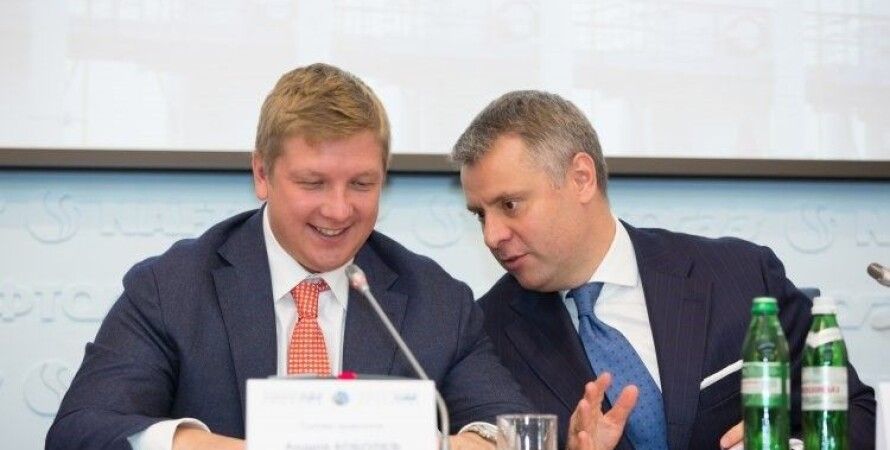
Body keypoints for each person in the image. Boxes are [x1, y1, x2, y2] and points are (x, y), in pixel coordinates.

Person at [46, 63, 541, 450]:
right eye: (313, 183)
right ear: (262, 174)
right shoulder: (172, 288)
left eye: (362, 184)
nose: (339, 210)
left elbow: (510, 432)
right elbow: (81, 431)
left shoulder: (436, 301)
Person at [451, 90, 877, 450]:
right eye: (480, 215)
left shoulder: (739, 276)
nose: (492, 235)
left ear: (581, 178)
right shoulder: (481, 336)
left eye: (509, 205)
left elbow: (855, 412)